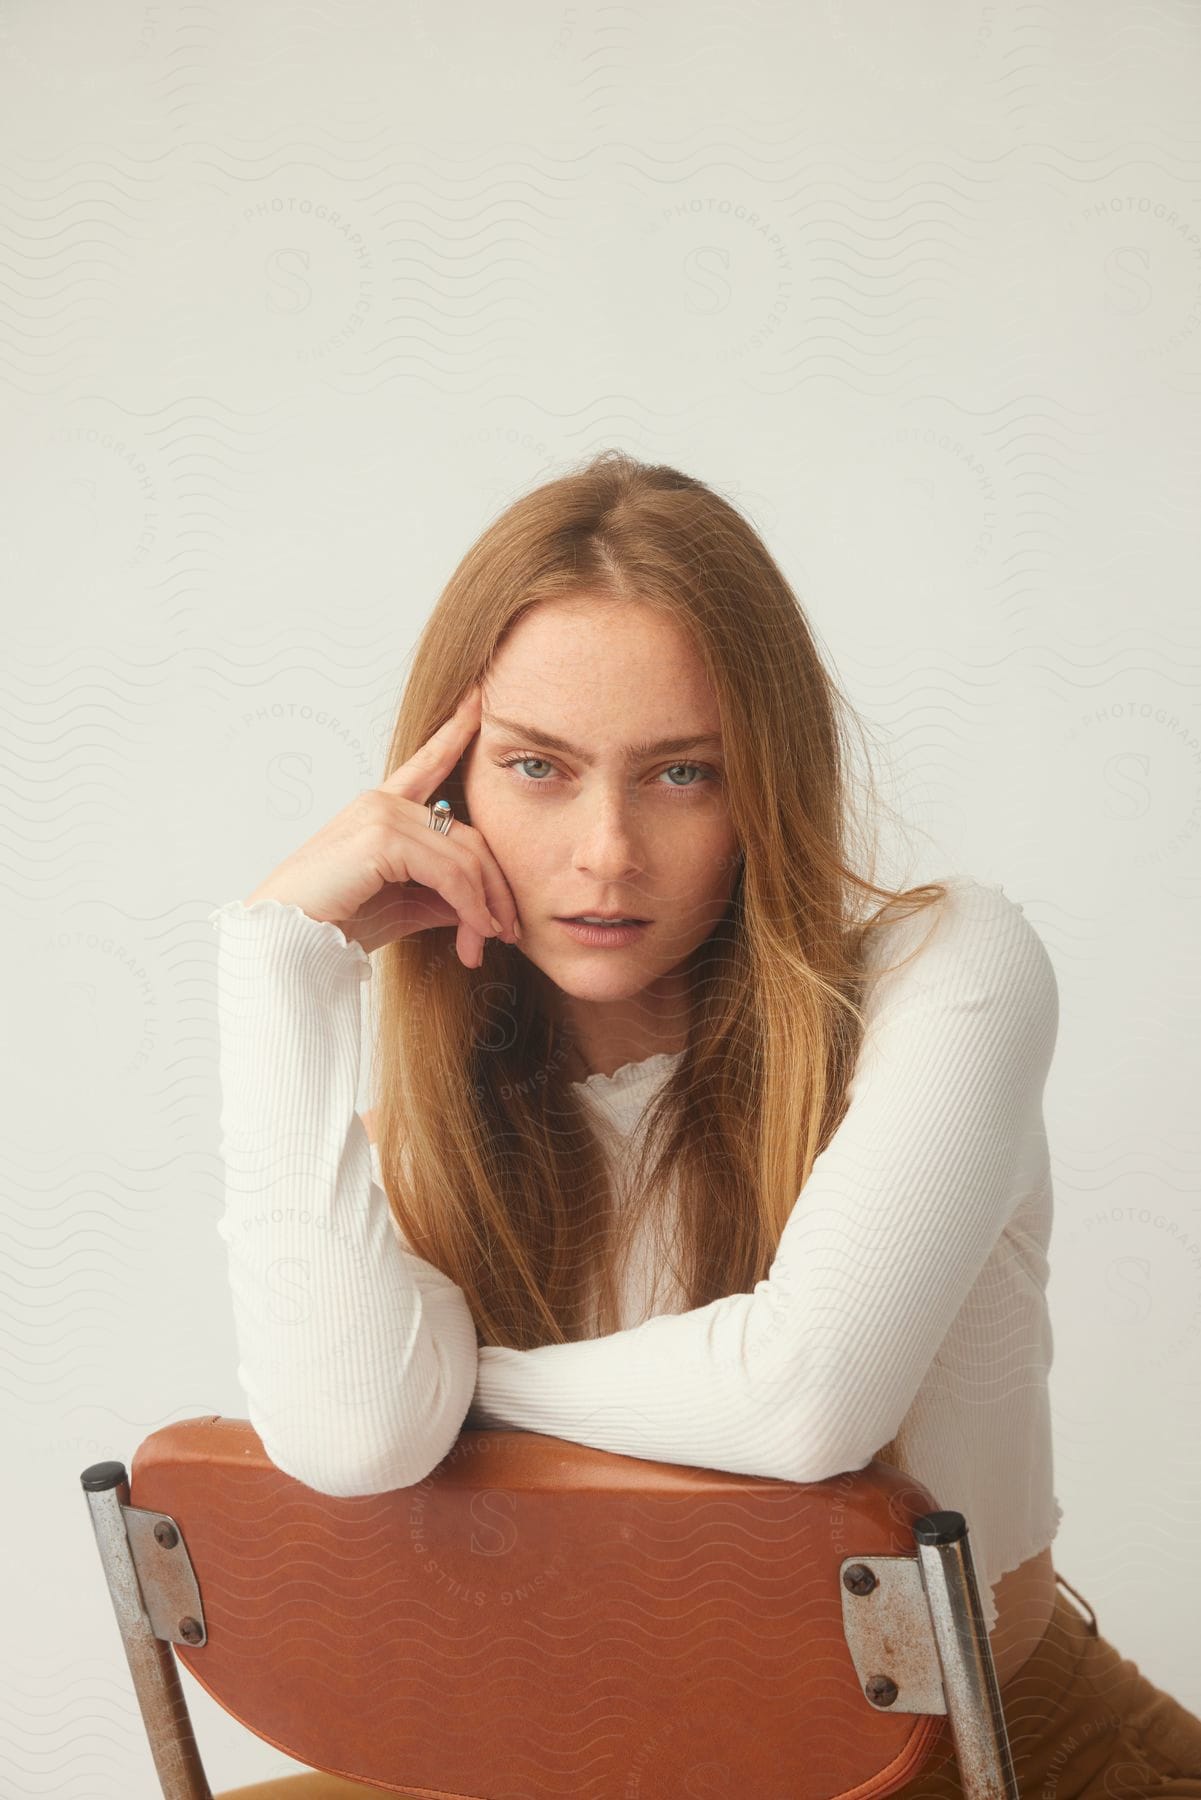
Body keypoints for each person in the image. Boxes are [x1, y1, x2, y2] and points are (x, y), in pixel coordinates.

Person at [209, 452, 1201, 1797]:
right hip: (567, 1766)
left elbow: (803, 1396)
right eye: (538, 768)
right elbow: (356, 1435)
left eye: (680, 773)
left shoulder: (948, 970)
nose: (606, 852)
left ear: (764, 787)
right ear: (443, 795)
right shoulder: (418, 1132)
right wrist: (279, 957)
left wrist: (458, 1389)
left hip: (993, 1765)